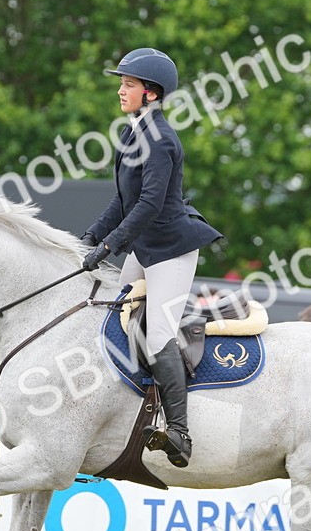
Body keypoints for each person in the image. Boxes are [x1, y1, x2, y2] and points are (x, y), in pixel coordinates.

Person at [80, 47, 223, 468]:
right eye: (121, 83)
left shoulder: (160, 139)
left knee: (158, 333)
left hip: (172, 249)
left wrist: (110, 247)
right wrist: (90, 238)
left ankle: (179, 431)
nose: (120, 91)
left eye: (128, 84)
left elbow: (149, 204)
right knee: (115, 316)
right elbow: (121, 201)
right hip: (146, 246)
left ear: (152, 94)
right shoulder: (131, 133)